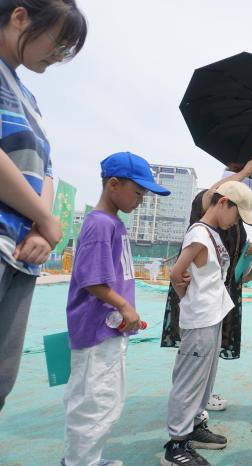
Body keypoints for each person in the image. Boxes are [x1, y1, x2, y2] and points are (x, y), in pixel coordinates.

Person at [0, 0, 87, 412]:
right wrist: (44, 218)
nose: (61, 56)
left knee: (2, 378)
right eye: (60, 43)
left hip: (21, 252)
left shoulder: (29, 97)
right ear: (20, 17)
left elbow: (46, 168)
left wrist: (40, 228)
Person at [62, 152, 170, 466]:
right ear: (113, 185)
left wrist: (126, 314)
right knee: (92, 402)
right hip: (95, 331)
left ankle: (88, 459)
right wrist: (125, 306)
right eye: (138, 192)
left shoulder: (113, 223)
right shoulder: (99, 224)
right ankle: (79, 462)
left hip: (108, 328)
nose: (141, 200)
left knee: (105, 398)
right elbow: (92, 280)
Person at [162, 181, 252, 466]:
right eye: (236, 215)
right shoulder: (199, 234)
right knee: (190, 380)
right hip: (201, 317)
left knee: (204, 378)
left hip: (212, 315)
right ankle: (176, 444)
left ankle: (193, 426)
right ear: (223, 203)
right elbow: (176, 272)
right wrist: (188, 299)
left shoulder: (212, 234)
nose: (236, 223)